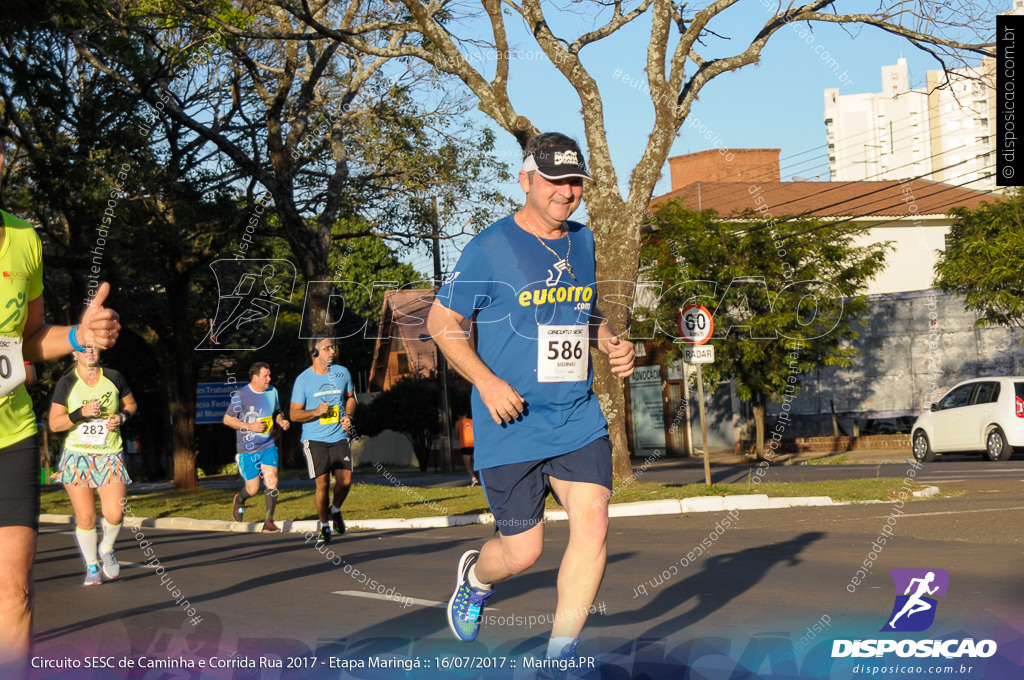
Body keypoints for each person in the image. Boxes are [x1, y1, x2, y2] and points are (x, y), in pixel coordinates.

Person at [427, 133, 635, 662]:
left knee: (593, 521)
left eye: (574, 183)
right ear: (525, 181)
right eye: (554, 181)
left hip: (574, 414)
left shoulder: (582, 242)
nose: (566, 193)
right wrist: (488, 382)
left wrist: (609, 340)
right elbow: (442, 322)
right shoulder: (489, 247)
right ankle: (475, 579)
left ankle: (560, 656)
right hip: (510, 417)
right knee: (523, 552)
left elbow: (583, 310)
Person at [0, 124, 121, 671]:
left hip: (12, 436)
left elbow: (29, 338)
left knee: (14, 592)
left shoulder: (23, 238)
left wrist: (78, 335)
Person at [48, 347, 137, 585]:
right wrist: (81, 413)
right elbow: (55, 424)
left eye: (93, 347)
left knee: (115, 513)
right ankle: (91, 566)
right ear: (74, 355)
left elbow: (131, 405)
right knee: (86, 517)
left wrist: (122, 417)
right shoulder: (67, 383)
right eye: (82, 349)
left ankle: (106, 548)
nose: (89, 352)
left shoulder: (114, 377)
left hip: (110, 455)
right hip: (78, 456)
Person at [290, 338, 356, 543]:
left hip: (338, 436)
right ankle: (324, 526)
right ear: (314, 352)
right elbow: (293, 414)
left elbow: (351, 397)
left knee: (345, 481)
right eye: (327, 348)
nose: (332, 351)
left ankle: (335, 510)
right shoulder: (303, 380)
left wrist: (349, 416)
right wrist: (315, 411)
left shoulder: (342, 372)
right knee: (323, 483)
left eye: (333, 347)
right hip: (314, 439)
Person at [223, 362, 290, 532]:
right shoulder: (241, 395)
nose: (269, 378)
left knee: (272, 481)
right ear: (255, 377)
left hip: (268, 446)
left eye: (269, 375)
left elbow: (277, 412)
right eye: (265, 375)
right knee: (253, 489)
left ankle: (269, 521)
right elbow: (228, 420)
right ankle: (240, 500)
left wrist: (281, 420)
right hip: (248, 449)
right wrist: (250, 426)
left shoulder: (272, 391)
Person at [455, 413, 478, 486]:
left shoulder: (458, 422)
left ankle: (474, 478)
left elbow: (456, 435)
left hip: (465, 445)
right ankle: (479, 477)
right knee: (476, 463)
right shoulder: (473, 421)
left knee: (468, 465)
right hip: (474, 444)